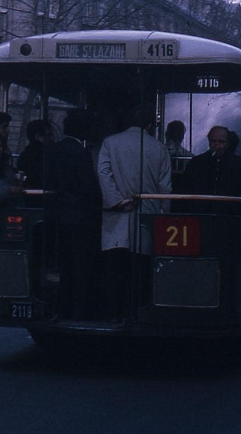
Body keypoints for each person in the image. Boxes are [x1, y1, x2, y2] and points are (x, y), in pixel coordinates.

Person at [97, 104, 172, 321]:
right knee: (139, 271)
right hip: (146, 218)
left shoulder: (110, 143)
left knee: (114, 271)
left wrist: (118, 201)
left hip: (115, 217)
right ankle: (137, 314)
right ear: (150, 124)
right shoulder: (159, 148)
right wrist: (164, 217)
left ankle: (113, 315)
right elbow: (164, 188)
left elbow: (104, 174)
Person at [43, 109, 103, 320]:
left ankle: (58, 307)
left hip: (55, 216)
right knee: (79, 266)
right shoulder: (81, 153)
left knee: (61, 265)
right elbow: (88, 187)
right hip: (79, 218)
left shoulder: (53, 150)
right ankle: (78, 309)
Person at [17, 119, 52, 189]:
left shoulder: (24, 155)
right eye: (48, 135)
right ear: (37, 136)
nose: (51, 138)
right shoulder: (47, 154)